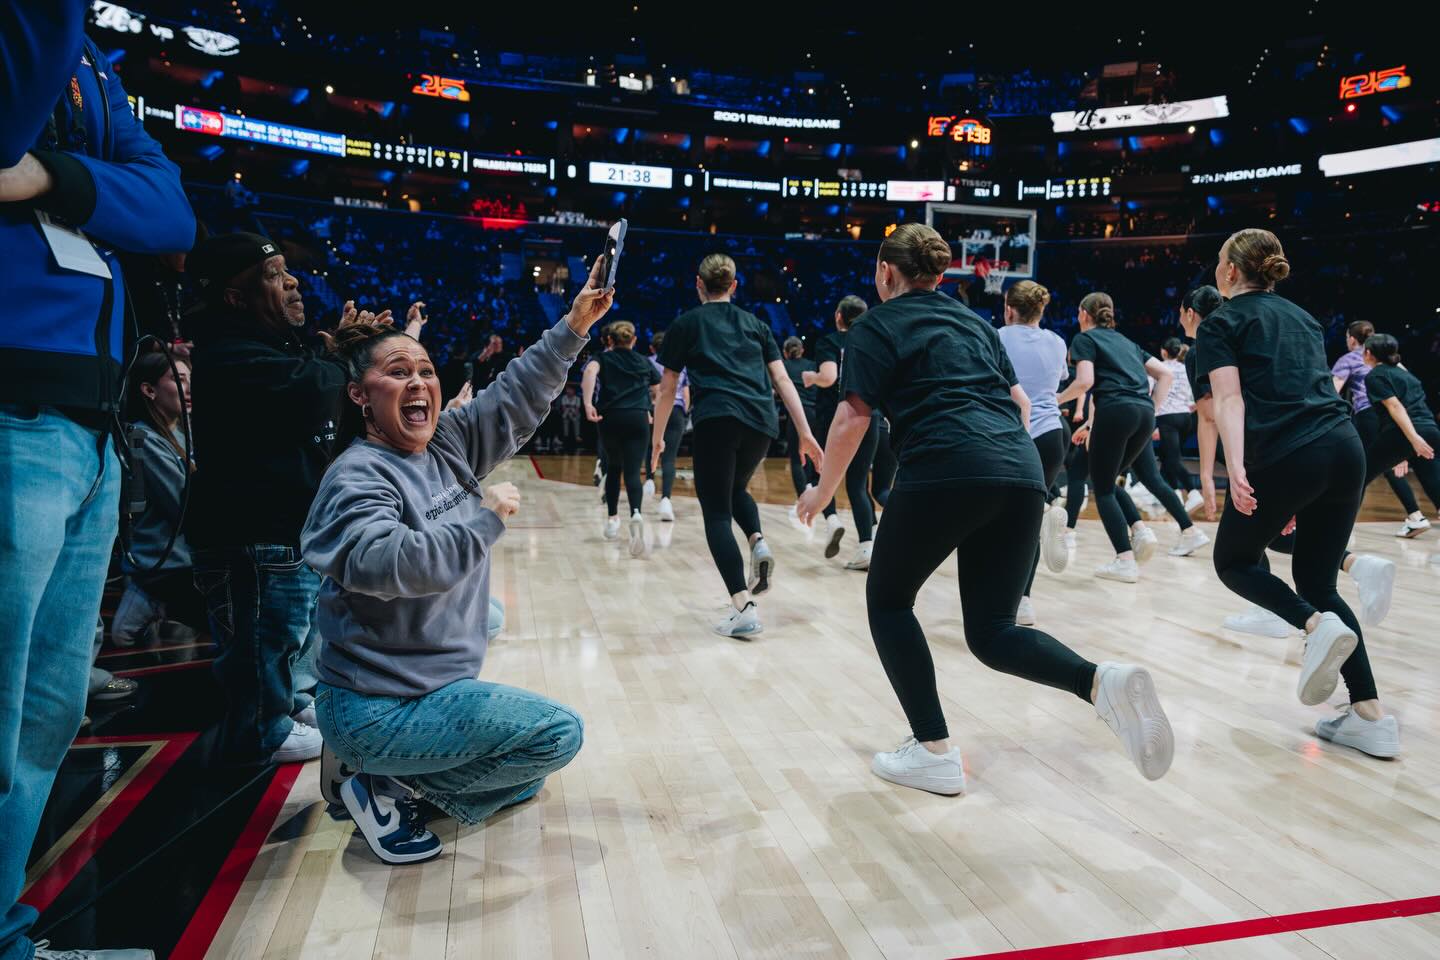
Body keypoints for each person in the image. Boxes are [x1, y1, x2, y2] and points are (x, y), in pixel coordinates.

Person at [796, 224, 1173, 795]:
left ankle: (933, 750)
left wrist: (822, 492)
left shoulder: (874, 326)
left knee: (890, 601)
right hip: (1020, 469)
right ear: (940, 275)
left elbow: (853, 417)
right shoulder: (974, 323)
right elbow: (1019, 402)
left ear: (884, 272)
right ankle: (1099, 682)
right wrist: (1004, 466)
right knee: (993, 631)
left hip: (945, 463)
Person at [302, 256, 612, 864]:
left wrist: (575, 325)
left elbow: (516, 395)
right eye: (398, 372)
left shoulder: (442, 440)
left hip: (406, 685)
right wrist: (485, 519)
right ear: (360, 395)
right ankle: (378, 779)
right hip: (378, 707)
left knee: (521, 768)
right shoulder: (356, 476)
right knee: (556, 736)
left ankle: (376, 771)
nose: (419, 382)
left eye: (425, 369)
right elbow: (393, 563)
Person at [2, 10, 196, 959]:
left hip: (91, 421)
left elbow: (170, 211)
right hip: (10, 402)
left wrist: (47, 178)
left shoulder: (88, 57)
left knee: (47, 715)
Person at [186, 234, 422, 764]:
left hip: (286, 531)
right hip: (250, 538)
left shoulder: (280, 347)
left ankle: (288, 704)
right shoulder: (227, 350)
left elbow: (320, 380)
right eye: (272, 274)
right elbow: (313, 390)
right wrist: (342, 354)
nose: (292, 280)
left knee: (291, 632)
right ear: (235, 297)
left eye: (288, 270)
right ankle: (260, 731)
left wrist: (340, 349)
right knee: (262, 640)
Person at [1199, 228, 1399, 759]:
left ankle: (1313, 625)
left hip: (1293, 452)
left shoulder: (1221, 321)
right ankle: (1371, 716)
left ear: (1232, 272)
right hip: (1344, 449)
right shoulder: (1304, 317)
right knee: (1318, 580)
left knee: (1234, 562)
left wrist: (1237, 468)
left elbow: (1229, 399)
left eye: (1220, 260)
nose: (1217, 268)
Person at [1182, 290, 1397, 636]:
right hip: (1316, 443)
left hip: (1267, 453)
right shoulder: (1272, 327)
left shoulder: (1206, 344)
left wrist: (1208, 476)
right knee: (1272, 541)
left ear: (1190, 314)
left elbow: (1210, 417)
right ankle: (1354, 565)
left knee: (1238, 555)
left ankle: (1289, 613)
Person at [652, 254, 822, 637]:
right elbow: (783, 381)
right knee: (735, 490)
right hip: (761, 424)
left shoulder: (686, 323)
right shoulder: (758, 325)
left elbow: (667, 390)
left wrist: (658, 438)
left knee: (714, 512)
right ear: (733, 285)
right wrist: (806, 432)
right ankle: (757, 540)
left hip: (717, 418)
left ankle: (743, 605)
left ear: (699, 284)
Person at [1056, 293, 1202, 582]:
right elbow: (1165, 376)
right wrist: (1151, 408)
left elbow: (1085, 382)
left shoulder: (1084, 339)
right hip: (1143, 414)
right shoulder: (1127, 342)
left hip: (1116, 411)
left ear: (1084, 314)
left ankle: (1124, 559)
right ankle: (1139, 530)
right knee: (1118, 479)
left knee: (1104, 487)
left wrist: (1055, 398)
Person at [113, 352, 207, 646]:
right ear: (149, 390)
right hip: (167, 563)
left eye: (190, 378)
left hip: (190, 558)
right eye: (178, 379)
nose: (188, 387)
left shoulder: (185, 431)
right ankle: (152, 598)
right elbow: (183, 507)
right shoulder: (142, 438)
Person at [996, 280, 1070, 627]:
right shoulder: (1057, 342)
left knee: (1000, 520)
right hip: (1052, 436)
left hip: (1012, 435)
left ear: (1009, 308)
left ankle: (999, 596)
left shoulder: (998, 336)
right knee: (1028, 520)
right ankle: (1024, 599)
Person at [1334, 321, 1431, 537]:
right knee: (1383, 466)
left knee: (1360, 470)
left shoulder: (1349, 358)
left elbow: (1334, 390)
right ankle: (1415, 515)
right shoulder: (1391, 363)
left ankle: (1342, 525)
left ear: (1351, 339)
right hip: (1392, 417)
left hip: (1369, 416)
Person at [807, 296, 882, 570]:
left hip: (836, 418)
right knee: (859, 484)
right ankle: (866, 545)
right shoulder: (873, 343)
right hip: (871, 418)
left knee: (824, 473)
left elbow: (828, 377)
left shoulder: (830, 342)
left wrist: (811, 378)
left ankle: (832, 520)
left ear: (838, 316)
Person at [582, 320, 660, 555]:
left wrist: (588, 404)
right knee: (634, 471)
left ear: (610, 340)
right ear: (634, 340)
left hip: (611, 418)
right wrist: (650, 406)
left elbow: (589, 372)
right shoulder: (644, 361)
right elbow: (658, 389)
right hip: (638, 418)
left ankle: (613, 520)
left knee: (614, 468)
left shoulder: (603, 358)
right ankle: (636, 513)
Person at [1359, 334, 1440, 516]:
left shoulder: (1375, 376)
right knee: (1434, 484)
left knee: (1359, 477)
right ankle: (1416, 518)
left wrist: (1413, 439)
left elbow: (1395, 406)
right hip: (1430, 430)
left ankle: (1337, 530)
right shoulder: (1406, 375)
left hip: (1405, 433)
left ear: (1369, 353)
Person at [780, 336, 833, 530]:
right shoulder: (812, 364)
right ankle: (815, 492)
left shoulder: (783, 367)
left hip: (796, 417)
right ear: (802, 350)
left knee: (796, 459)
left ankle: (802, 500)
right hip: (815, 414)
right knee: (814, 454)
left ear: (786, 352)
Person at [644, 330, 688, 522]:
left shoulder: (647, 362)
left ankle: (649, 480)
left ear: (652, 347)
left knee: (651, 446)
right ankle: (666, 500)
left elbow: (647, 390)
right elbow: (686, 393)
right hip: (676, 409)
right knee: (669, 458)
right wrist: (685, 414)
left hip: (654, 409)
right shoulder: (681, 365)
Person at [1155, 337, 1201, 510]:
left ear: (1164, 352)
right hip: (1186, 417)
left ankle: (1193, 492)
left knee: (1173, 460)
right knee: (1167, 457)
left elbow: (1149, 393)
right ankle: (1173, 496)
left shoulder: (1158, 367)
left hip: (1168, 417)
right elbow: (1194, 399)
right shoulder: (1186, 369)